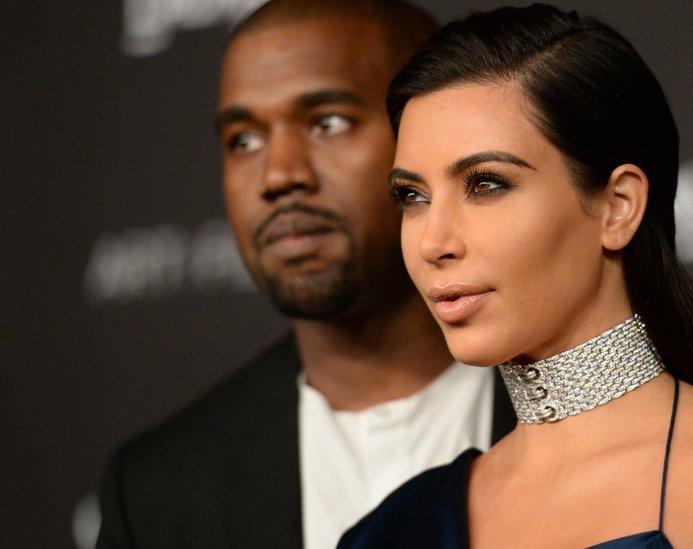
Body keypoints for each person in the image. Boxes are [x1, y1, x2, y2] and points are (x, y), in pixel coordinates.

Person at [340, 5, 693, 548]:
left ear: (618, 207)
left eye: (486, 185)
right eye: (412, 197)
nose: (434, 242)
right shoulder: (390, 530)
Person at [95, 2, 520, 548]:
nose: (278, 175)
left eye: (328, 123)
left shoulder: (621, 414)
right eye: (243, 140)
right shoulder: (157, 490)